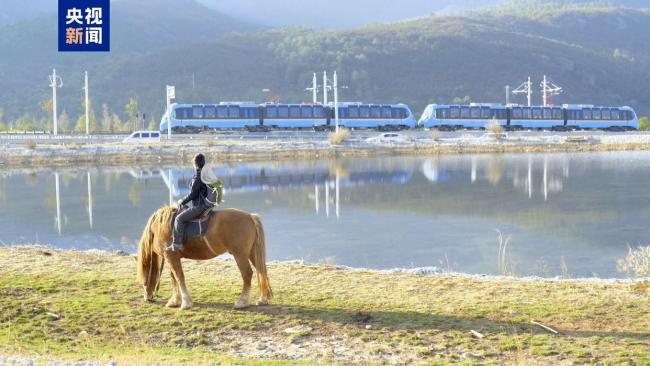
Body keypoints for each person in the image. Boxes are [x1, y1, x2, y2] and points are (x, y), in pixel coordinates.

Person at [167, 153, 209, 252]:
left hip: (200, 206)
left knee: (178, 219)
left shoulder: (198, 177)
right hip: (205, 204)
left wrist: (182, 201)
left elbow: (192, 195)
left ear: (196, 164)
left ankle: (177, 244)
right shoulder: (205, 174)